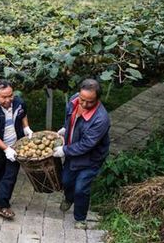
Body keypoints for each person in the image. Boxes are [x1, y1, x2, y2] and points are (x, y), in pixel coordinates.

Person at [53, 78, 110, 229]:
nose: (84, 104)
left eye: (89, 102)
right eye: (82, 99)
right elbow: (69, 118)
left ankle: (80, 218)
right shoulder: (74, 101)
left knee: (81, 188)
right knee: (66, 181)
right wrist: (66, 128)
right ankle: (69, 198)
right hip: (73, 153)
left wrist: (64, 150)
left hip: (91, 158)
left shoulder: (101, 119)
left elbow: (87, 145)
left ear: (98, 99)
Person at [0, 80, 34, 219]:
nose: (8, 99)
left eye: (10, 95)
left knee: (10, 176)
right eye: (4, 97)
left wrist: (26, 127)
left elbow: (23, 114)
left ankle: (1, 205)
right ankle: (2, 195)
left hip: (16, 146)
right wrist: (5, 149)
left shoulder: (18, 102)